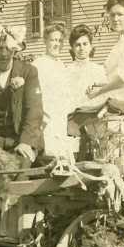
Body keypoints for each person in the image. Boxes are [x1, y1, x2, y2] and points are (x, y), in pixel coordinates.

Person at [0, 25, 44, 164]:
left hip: (22, 138)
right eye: (0, 49)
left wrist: (25, 142)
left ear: (15, 50)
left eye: (8, 49)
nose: (4, 54)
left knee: (19, 175)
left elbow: (34, 112)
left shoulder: (29, 72)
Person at [31, 21, 74, 158]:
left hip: (60, 117)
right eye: (53, 40)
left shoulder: (62, 66)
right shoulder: (38, 64)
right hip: (45, 118)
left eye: (60, 40)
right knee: (47, 155)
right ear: (45, 41)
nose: (57, 44)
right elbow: (34, 95)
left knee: (61, 155)